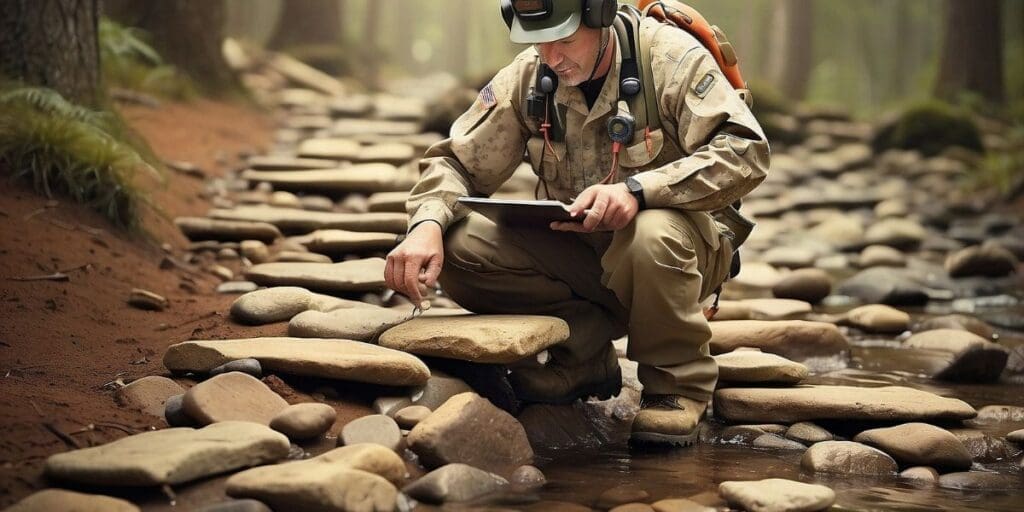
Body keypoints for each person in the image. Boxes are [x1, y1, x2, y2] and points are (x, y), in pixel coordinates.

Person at [385, 0, 769, 446]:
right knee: (461, 244)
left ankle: (676, 387)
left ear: (601, 18)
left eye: (565, 40)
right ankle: (584, 359)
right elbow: (456, 161)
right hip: (581, 248)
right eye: (538, 42)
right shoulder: (529, 76)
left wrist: (638, 192)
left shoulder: (668, 59)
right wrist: (425, 226)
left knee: (650, 233)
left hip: (680, 252)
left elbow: (746, 151)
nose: (552, 57)